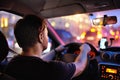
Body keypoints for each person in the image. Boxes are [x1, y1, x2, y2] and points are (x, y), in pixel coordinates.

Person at [4, 15, 91, 80]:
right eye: (46, 34)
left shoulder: (12, 64)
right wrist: (84, 49)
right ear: (41, 37)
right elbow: (80, 66)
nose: (47, 37)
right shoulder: (53, 70)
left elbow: (35, 61)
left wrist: (55, 51)